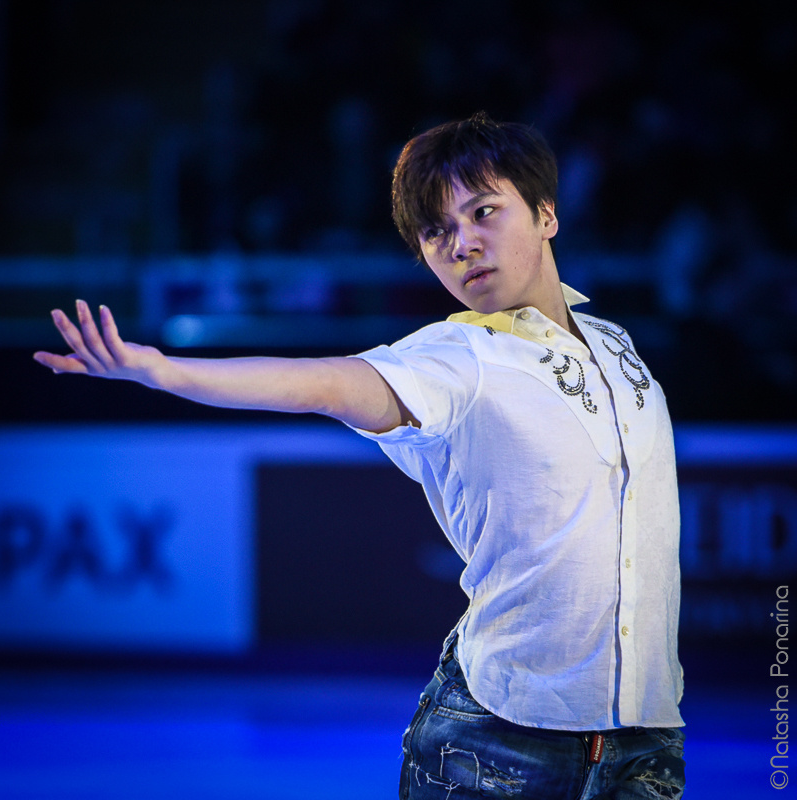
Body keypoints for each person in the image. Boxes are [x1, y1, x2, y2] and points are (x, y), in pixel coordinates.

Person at [34, 112, 686, 799]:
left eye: (484, 212)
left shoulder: (615, 343)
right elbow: (321, 383)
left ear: (546, 214)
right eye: (437, 233)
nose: (463, 244)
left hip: (645, 737)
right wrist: (167, 370)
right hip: (497, 740)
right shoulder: (456, 358)